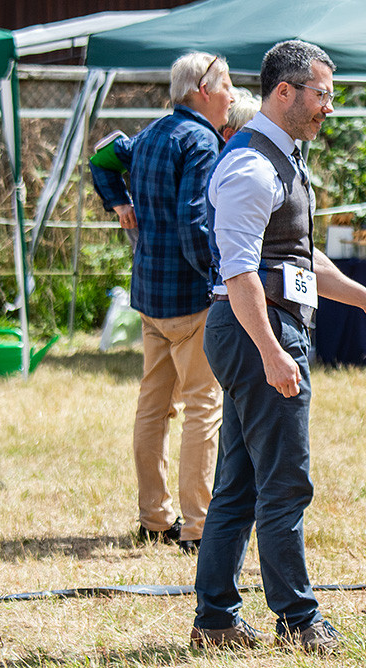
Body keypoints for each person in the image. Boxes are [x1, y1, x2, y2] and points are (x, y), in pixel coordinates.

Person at [191, 40, 366, 654]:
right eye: (321, 95)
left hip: (265, 329)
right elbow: (239, 275)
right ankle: (300, 621)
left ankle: (216, 622)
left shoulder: (283, 158)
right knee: (285, 484)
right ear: (283, 92)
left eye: (330, 96)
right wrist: (271, 351)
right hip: (256, 330)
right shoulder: (251, 167)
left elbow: (296, 256)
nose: (328, 109)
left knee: (239, 485)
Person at [89, 52, 235, 555]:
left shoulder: (150, 134)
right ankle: (198, 526)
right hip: (191, 299)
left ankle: (155, 517)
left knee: (154, 407)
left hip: (149, 297)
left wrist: (118, 201)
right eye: (227, 85)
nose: (232, 96)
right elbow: (196, 224)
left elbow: (101, 157)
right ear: (201, 88)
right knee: (204, 408)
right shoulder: (200, 141)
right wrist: (220, 280)